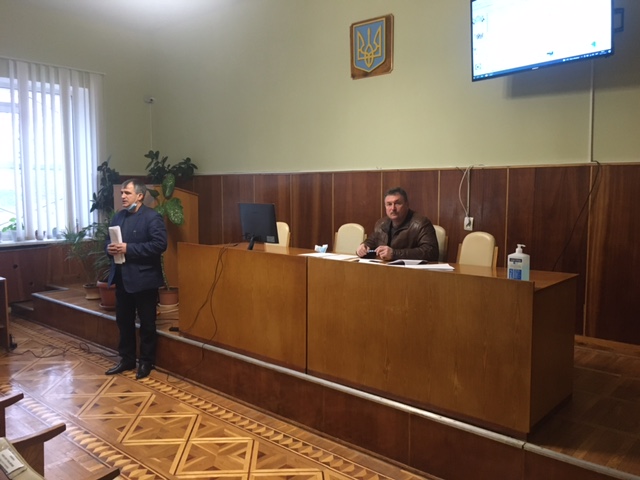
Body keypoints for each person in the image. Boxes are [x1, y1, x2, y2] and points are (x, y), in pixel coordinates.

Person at [105, 179, 168, 380]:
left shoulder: (152, 217)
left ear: (139, 196)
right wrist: (109, 248)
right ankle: (127, 359)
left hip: (144, 279)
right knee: (124, 321)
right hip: (122, 278)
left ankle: (146, 362)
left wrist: (128, 248)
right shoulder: (119, 216)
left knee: (147, 324)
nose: (123, 196)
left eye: (127, 193)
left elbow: (159, 245)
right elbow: (108, 241)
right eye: (122, 193)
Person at [356, 187, 438, 262]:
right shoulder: (381, 223)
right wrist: (363, 247)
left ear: (407, 205)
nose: (393, 208)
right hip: (385, 268)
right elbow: (371, 241)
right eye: (389, 204)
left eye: (397, 203)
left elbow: (431, 252)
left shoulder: (421, 223)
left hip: (410, 271)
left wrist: (394, 254)